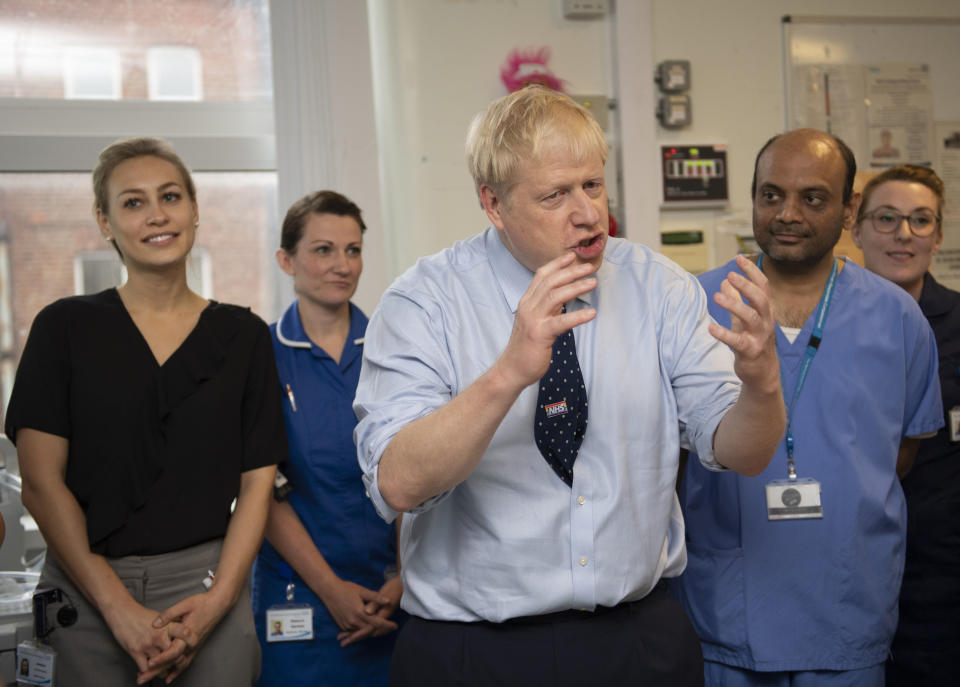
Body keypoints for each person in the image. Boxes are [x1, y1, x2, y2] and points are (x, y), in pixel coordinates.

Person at [353, 85, 785, 686]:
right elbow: (398, 482)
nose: (587, 214)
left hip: (637, 641)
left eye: (592, 185)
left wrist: (761, 384)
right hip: (474, 651)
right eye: (555, 195)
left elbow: (743, 451)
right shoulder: (423, 302)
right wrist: (509, 373)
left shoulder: (659, 288)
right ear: (494, 204)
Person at [4, 137, 285, 686]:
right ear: (105, 222)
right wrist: (118, 610)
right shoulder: (63, 328)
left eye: (171, 196)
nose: (157, 214)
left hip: (208, 590)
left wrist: (218, 600)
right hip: (87, 591)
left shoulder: (244, 337)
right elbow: (40, 482)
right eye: (132, 202)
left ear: (195, 210)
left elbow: (258, 484)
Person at [673, 130, 944, 686]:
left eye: (812, 198)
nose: (787, 214)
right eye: (771, 196)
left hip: (846, 606)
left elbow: (902, 455)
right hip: (725, 610)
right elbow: (667, 459)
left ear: (848, 211)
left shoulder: (897, 319)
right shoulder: (694, 305)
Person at [251, 191, 402, 686]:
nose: (342, 265)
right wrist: (332, 590)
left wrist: (404, 578)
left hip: (392, 597)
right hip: (300, 597)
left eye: (353, 250)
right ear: (286, 260)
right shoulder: (262, 357)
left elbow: (420, 473)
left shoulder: (394, 348)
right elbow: (260, 492)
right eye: (323, 250)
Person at [850, 164, 960, 686]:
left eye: (921, 220)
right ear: (856, 227)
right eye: (887, 217)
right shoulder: (818, 325)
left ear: (938, 235)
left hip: (939, 578)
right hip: (848, 560)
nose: (903, 234)